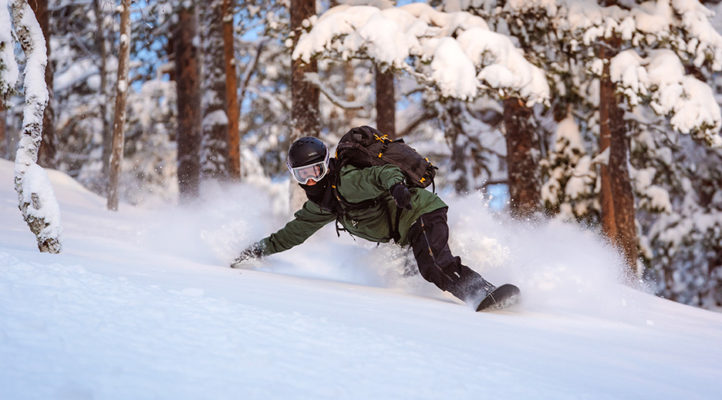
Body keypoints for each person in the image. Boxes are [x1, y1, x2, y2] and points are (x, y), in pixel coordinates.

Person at [232, 134, 498, 308]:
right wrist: (257, 250)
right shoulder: (323, 205)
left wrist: (396, 187)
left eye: (316, 171)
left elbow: (383, 174)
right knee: (410, 275)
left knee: (433, 267)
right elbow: (291, 234)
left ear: (327, 165)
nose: (311, 181)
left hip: (419, 212)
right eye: (303, 175)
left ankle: (485, 294)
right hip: (407, 231)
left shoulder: (347, 182)